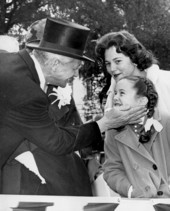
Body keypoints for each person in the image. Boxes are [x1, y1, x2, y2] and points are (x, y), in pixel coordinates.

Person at [0, 17, 146, 194]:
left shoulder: (6, 61)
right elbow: (57, 142)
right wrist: (105, 123)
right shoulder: (28, 93)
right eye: (75, 67)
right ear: (55, 63)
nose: (76, 74)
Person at [103, 76, 170, 198]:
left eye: (122, 93)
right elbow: (112, 170)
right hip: (137, 202)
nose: (115, 97)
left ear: (142, 101)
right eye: (115, 93)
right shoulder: (113, 129)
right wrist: (130, 190)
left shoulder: (166, 122)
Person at [95, 30, 170, 115]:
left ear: (134, 57)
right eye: (108, 63)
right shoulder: (113, 93)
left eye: (118, 61)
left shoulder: (166, 80)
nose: (112, 69)